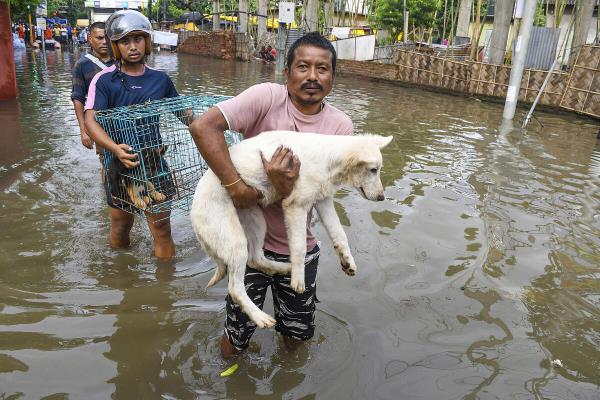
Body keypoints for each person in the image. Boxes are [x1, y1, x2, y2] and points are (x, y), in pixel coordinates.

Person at [189, 31, 353, 357]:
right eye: (302, 66)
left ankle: (287, 379)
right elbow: (202, 127)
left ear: (333, 76)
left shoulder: (341, 128)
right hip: (249, 245)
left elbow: (321, 197)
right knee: (235, 338)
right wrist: (238, 190)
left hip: (299, 252)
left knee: (297, 336)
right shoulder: (266, 97)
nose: (312, 76)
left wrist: (283, 187)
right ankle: (232, 379)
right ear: (286, 71)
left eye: (322, 69)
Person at [84, 10, 178, 259]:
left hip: (154, 161)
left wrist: (217, 124)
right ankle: (123, 276)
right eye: (125, 41)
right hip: (118, 162)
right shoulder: (104, 81)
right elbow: (90, 121)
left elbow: (185, 114)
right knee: (121, 226)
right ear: (115, 46)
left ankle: (164, 289)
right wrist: (114, 149)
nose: (132, 47)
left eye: (138, 39)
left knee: (162, 228)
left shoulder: (161, 80)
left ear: (147, 42)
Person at [71, 21, 114, 150]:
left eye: (107, 38)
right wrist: (83, 130)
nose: (105, 42)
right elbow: (78, 98)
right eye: (99, 38)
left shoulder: (121, 61)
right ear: (90, 39)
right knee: (106, 160)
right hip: (99, 124)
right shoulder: (82, 65)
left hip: (123, 121)